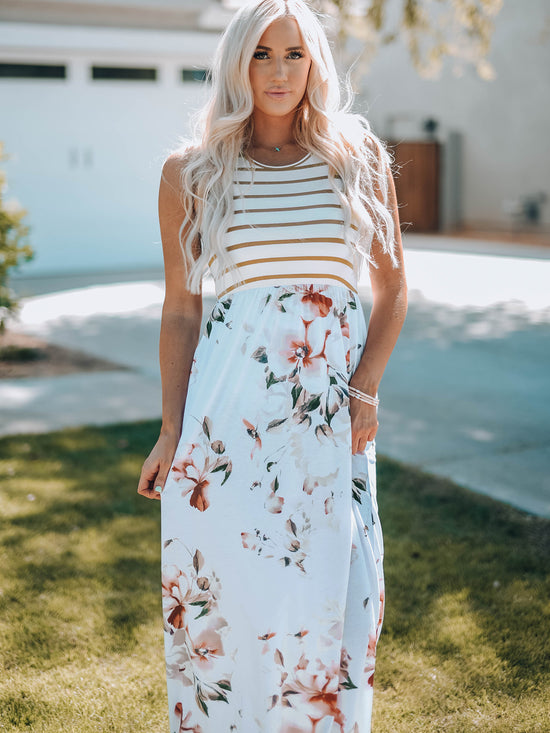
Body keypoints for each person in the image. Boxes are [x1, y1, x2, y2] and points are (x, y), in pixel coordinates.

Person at [137, 0, 407, 730]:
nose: (279, 71)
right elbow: (182, 310)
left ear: (314, 61)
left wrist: (367, 387)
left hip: (329, 426)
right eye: (261, 54)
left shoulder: (356, 158)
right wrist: (171, 429)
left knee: (333, 605)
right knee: (231, 601)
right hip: (226, 430)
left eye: (293, 53)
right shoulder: (191, 172)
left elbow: (391, 291)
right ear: (236, 64)